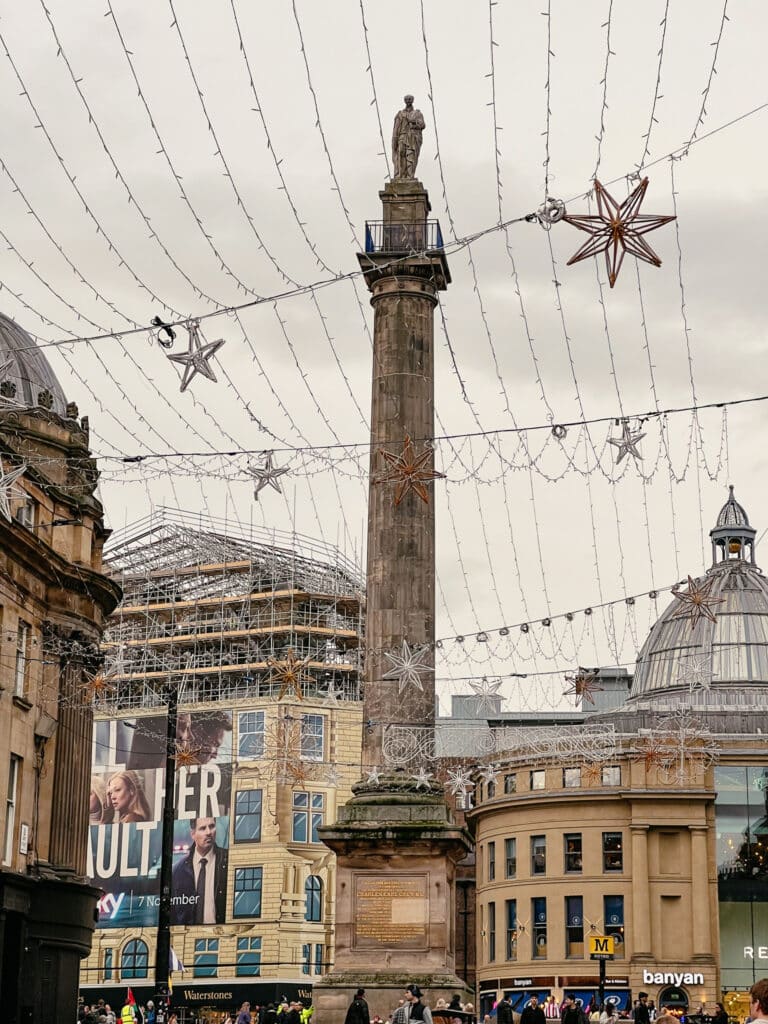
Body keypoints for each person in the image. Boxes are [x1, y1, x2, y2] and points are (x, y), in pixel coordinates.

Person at [171, 816, 229, 924]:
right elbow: (173, 914)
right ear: (193, 834)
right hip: (188, 937)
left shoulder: (228, 860)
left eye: (212, 826)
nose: (209, 832)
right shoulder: (177, 870)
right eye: (202, 828)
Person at [392, 96, 425, 180]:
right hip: (402, 137)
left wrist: (414, 122)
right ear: (404, 101)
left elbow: (422, 125)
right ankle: (401, 175)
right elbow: (396, 128)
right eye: (406, 99)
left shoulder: (417, 113)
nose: (408, 101)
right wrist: (394, 140)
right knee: (401, 154)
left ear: (413, 100)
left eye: (410, 99)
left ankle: (410, 176)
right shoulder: (400, 113)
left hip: (412, 138)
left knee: (410, 156)